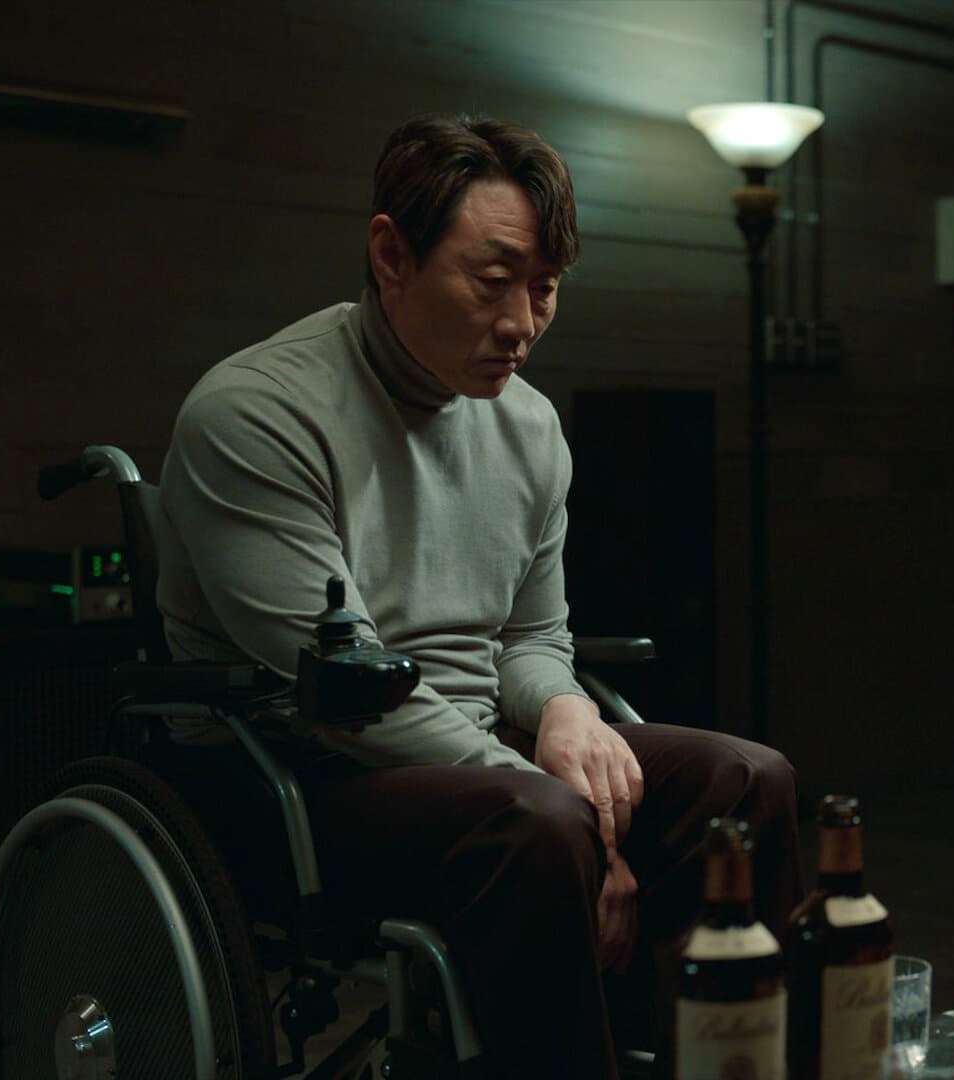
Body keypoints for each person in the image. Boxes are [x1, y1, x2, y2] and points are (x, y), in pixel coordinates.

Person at [152, 113, 801, 1077]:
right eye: (493, 282)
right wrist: (570, 808)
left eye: (545, 288)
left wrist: (568, 710)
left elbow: (532, 636)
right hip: (303, 772)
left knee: (746, 781)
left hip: (482, 757)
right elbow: (350, 695)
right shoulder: (257, 414)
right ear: (391, 255)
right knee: (540, 826)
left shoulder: (529, 427)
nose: (522, 324)